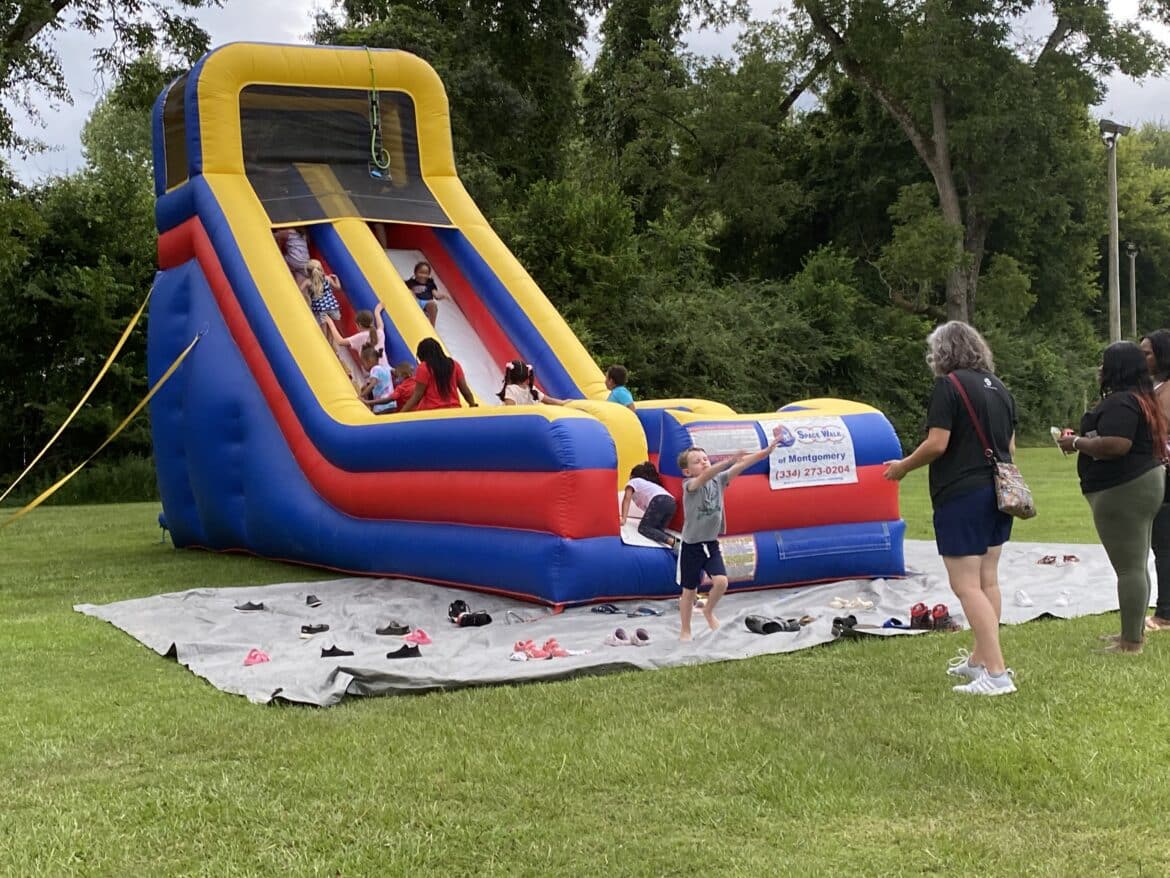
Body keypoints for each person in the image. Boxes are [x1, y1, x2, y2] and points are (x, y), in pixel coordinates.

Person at [883, 321, 1018, 696]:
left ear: (943, 352)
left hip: (961, 494)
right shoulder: (1000, 388)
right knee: (988, 581)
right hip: (999, 493)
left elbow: (937, 443)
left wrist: (903, 467)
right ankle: (979, 660)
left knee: (965, 586)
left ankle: (997, 674)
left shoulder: (949, 386)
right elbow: (1009, 447)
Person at [1057, 341, 1168, 654]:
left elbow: (1117, 444)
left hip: (1124, 487)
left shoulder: (1122, 402)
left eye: (1104, 363)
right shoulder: (1141, 399)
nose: (1100, 369)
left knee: (1129, 568)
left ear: (1116, 368)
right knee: (1136, 565)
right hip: (1143, 482)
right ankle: (1132, 632)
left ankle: (1131, 642)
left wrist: (1076, 443)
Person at [677, 438, 779, 641]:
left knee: (721, 582)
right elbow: (705, 476)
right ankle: (685, 629)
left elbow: (743, 464)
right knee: (689, 591)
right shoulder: (689, 485)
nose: (703, 462)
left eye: (705, 459)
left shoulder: (719, 480)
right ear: (687, 471)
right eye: (697, 461)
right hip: (691, 547)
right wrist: (729, 460)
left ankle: (708, 611)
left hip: (710, 543)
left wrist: (766, 451)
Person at [1141, 328, 1170, 632]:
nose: (1142, 358)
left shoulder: (1166, 392)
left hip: (1165, 474)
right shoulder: (1156, 388)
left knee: (1164, 545)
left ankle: (1165, 613)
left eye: (1147, 353)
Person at [397, 338, 477, 412]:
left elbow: (417, 395)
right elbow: (465, 390)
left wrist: (402, 413)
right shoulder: (455, 365)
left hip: (432, 411)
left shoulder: (424, 367)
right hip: (453, 409)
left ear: (423, 355)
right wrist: (472, 404)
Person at [620, 462, 677, 549]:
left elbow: (626, 499)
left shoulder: (634, 481)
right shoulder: (651, 486)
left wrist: (624, 519)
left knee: (644, 528)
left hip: (659, 499)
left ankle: (673, 542)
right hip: (672, 502)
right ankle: (678, 542)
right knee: (657, 530)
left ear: (632, 476)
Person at [331, 306, 388, 380]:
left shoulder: (361, 336)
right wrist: (377, 312)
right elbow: (381, 325)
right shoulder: (380, 333)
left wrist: (330, 323)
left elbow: (340, 341)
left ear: (359, 325)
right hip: (386, 371)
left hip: (373, 375)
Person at [497, 360, 567, 406]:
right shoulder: (532, 389)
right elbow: (550, 401)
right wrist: (564, 402)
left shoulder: (511, 389)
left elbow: (511, 410)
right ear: (527, 376)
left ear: (509, 376)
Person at [404, 261, 447, 326]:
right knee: (410, 291)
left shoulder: (430, 284)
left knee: (433, 304)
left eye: (426, 273)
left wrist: (443, 296)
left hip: (426, 303)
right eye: (421, 273)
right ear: (415, 273)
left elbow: (436, 295)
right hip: (415, 301)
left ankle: (432, 325)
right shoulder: (411, 282)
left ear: (429, 275)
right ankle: (417, 309)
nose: (423, 275)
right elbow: (401, 283)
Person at [305, 260, 342, 332]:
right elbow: (338, 287)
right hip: (332, 306)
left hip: (319, 309)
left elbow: (299, 291)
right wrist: (336, 278)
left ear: (308, 272)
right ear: (321, 269)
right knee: (333, 329)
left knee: (323, 331)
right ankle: (333, 339)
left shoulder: (308, 282)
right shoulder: (327, 279)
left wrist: (307, 297)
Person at [359, 345, 396, 414]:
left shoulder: (374, 369)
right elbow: (394, 371)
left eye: (363, 364)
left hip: (381, 406)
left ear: (369, 361)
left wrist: (361, 395)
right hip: (392, 404)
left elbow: (372, 385)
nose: (363, 366)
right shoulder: (386, 368)